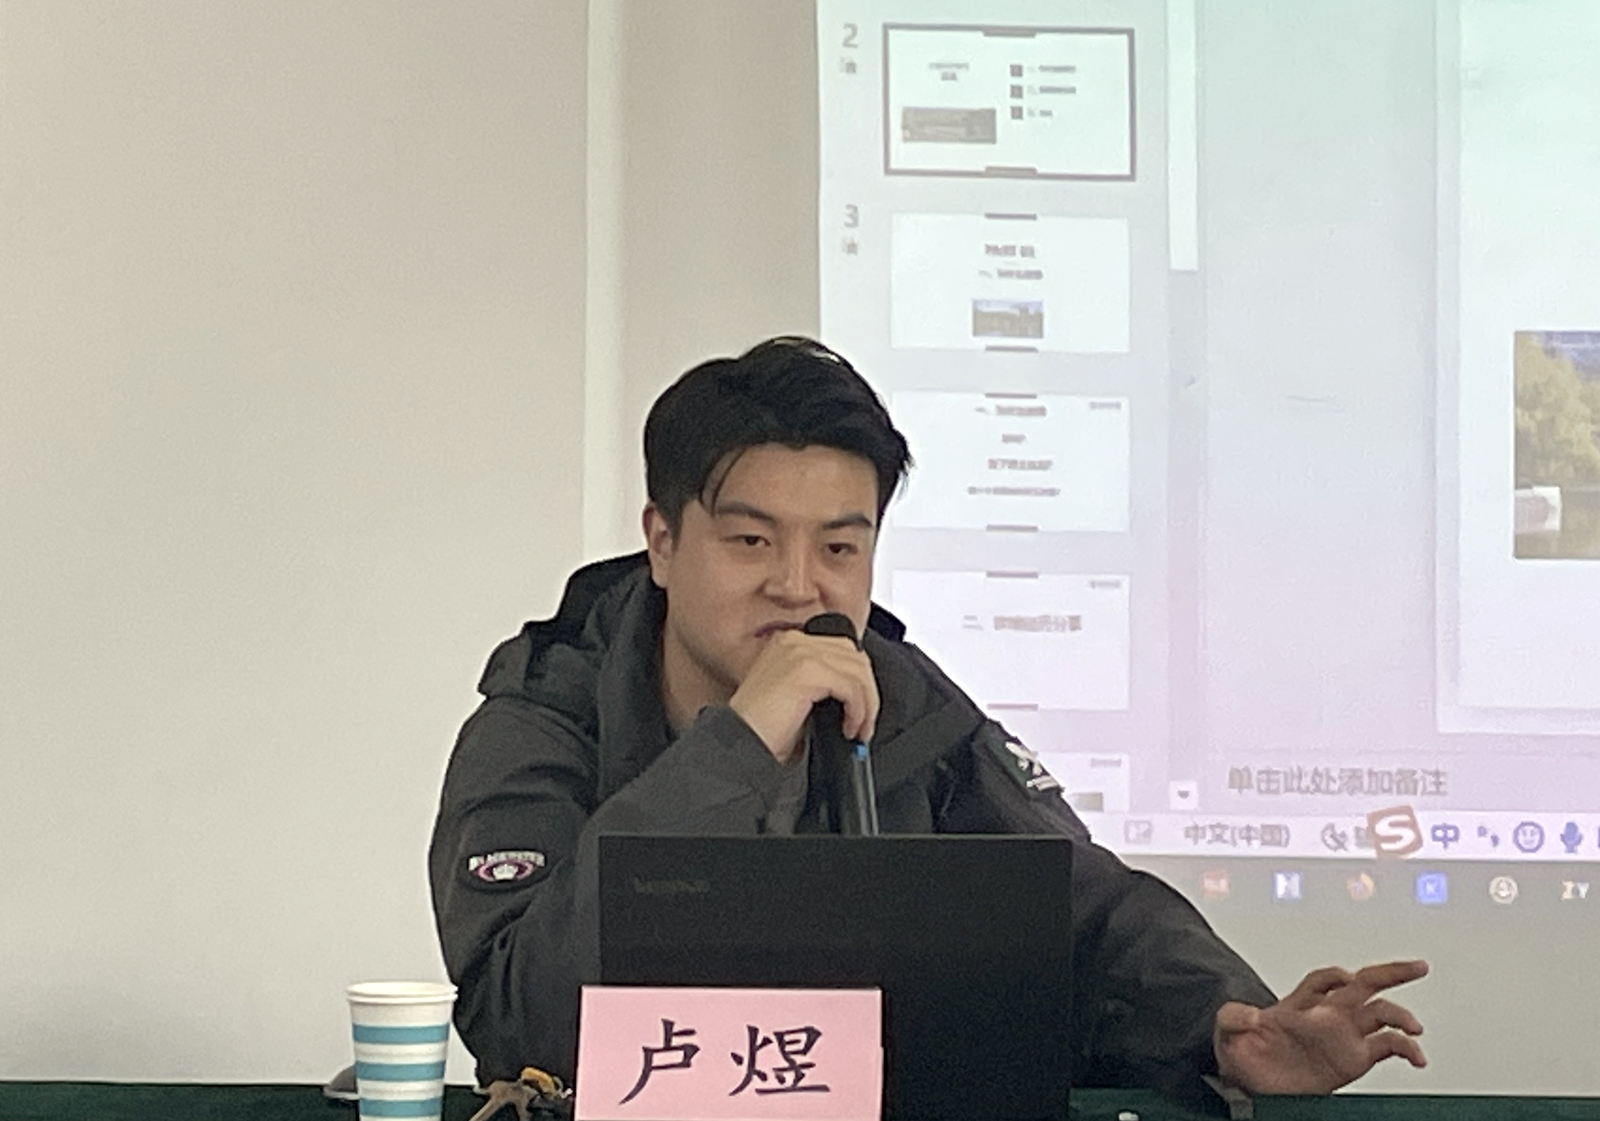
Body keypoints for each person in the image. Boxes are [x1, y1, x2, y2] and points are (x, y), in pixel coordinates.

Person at [428, 336, 1428, 1106]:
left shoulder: (908, 705)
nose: (797, 585)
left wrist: (1222, 1020)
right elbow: (518, 1015)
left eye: (839, 549)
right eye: (750, 541)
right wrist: (739, 742)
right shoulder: (545, 716)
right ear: (660, 541)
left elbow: (1083, 915)